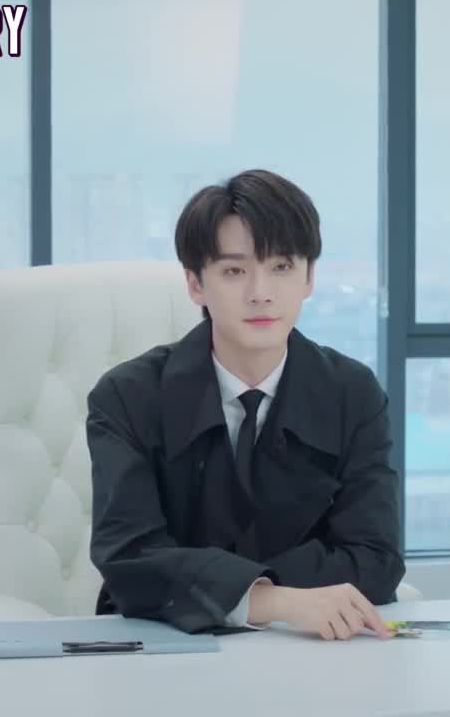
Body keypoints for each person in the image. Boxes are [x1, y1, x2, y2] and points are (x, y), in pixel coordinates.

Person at [86, 169, 405, 640]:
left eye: (282, 267)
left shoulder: (353, 393)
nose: (261, 294)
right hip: (167, 645)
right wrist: (269, 599)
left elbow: (376, 557)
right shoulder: (126, 397)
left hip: (311, 650)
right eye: (234, 271)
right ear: (196, 284)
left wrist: (221, 586)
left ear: (309, 278)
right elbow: (129, 558)